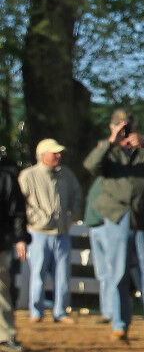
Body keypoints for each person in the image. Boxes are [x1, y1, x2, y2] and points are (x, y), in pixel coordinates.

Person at [84, 111, 144, 342]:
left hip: (143, 216)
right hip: (117, 215)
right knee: (119, 273)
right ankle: (119, 323)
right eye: (120, 127)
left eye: (128, 128)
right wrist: (111, 141)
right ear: (112, 127)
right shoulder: (109, 152)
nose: (125, 132)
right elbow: (90, 165)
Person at [20, 138, 85, 323]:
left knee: (63, 274)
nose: (58, 156)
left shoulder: (66, 175)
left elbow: (77, 196)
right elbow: (22, 204)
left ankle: (61, 311)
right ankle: (36, 312)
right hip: (38, 233)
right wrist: (39, 219)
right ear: (42, 155)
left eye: (59, 152)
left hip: (62, 232)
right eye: (54, 153)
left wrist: (71, 216)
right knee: (38, 273)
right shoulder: (28, 175)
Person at [0, 150, 28, 352]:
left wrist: (20, 238)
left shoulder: (7, 174)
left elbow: (17, 210)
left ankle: (6, 335)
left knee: (1, 288)